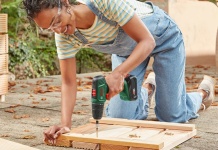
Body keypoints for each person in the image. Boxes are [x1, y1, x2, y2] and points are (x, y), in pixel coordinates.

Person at [22, 0, 216, 144]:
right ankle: (148, 88)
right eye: (49, 28)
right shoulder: (65, 37)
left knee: (172, 117)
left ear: (65, 3)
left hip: (163, 39)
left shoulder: (104, 3)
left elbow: (147, 41)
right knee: (119, 118)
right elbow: (68, 82)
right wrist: (65, 123)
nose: (57, 30)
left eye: (56, 21)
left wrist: (118, 74)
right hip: (127, 52)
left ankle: (203, 93)